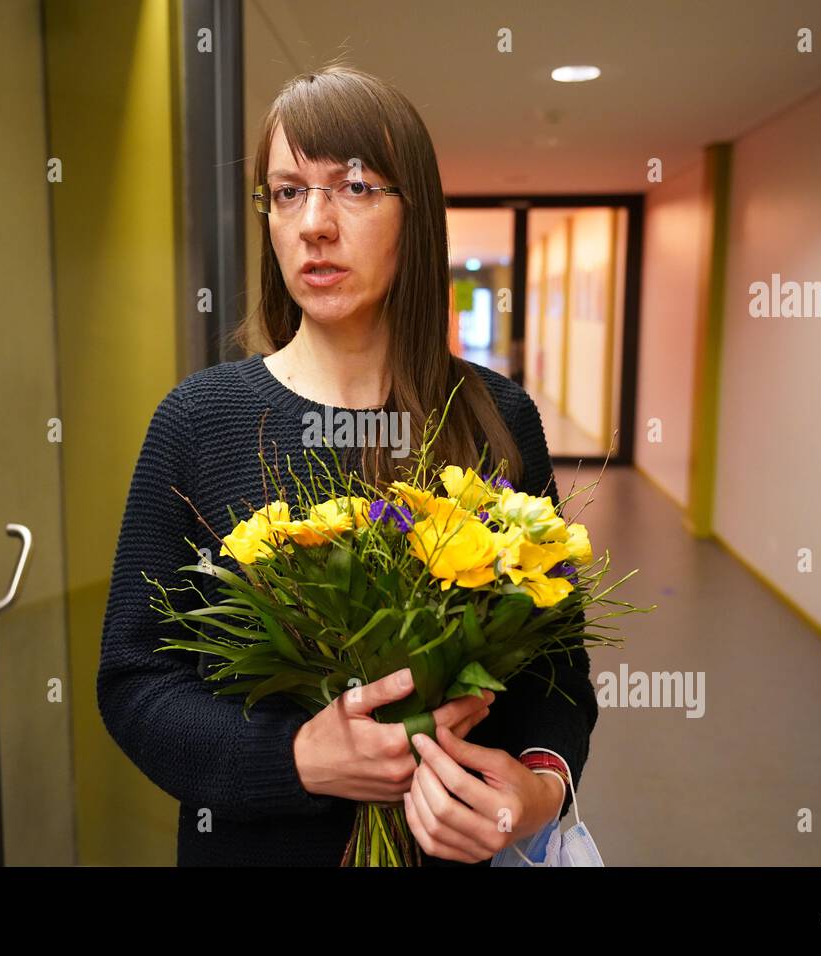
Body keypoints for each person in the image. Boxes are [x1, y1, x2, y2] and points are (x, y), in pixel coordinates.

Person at [97, 64, 598, 866]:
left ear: (417, 216)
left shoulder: (497, 418)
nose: (314, 225)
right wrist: (298, 757)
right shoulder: (197, 423)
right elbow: (135, 683)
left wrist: (537, 788)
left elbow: (557, 668)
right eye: (287, 192)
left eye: (355, 188)